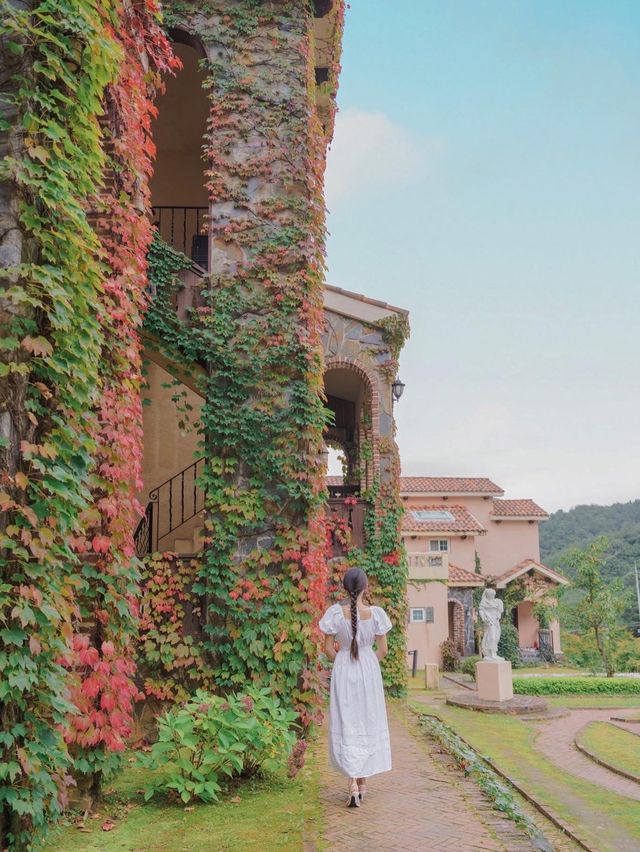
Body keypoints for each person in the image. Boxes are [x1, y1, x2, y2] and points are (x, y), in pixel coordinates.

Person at [319, 567, 393, 808]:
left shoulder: (335, 614)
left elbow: (329, 650)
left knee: (347, 722)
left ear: (345, 588)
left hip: (344, 670)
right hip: (368, 672)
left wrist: (342, 661)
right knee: (366, 720)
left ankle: (352, 782)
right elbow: (383, 650)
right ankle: (361, 782)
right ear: (365, 587)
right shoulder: (376, 614)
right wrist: (368, 664)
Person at [478, 587, 504, 660]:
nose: (493, 596)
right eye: (491, 595)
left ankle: (493, 653)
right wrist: (484, 618)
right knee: (491, 637)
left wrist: (498, 615)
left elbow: (499, 611)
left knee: (496, 637)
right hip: (489, 621)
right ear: (488, 595)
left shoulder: (496, 602)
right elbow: (481, 610)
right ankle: (491, 654)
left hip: (495, 621)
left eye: (493, 594)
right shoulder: (484, 602)